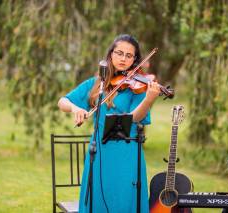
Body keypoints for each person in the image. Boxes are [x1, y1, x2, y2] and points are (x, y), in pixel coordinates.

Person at [57, 34, 160, 213]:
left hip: (127, 151)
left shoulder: (137, 86)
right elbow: (62, 101)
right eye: (119, 53)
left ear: (135, 60)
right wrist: (76, 109)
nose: (123, 58)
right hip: (99, 152)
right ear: (110, 54)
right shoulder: (96, 83)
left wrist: (148, 100)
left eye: (129, 56)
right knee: (96, 200)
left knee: (124, 200)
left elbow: (135, 117)